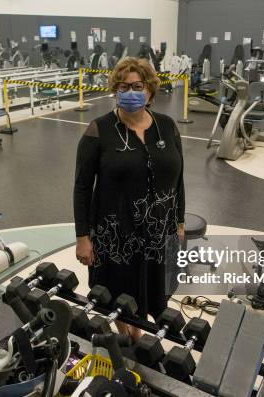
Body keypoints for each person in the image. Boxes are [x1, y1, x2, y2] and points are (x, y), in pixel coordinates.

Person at [73, 57, 185, 341]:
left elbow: (178, 178)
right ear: (116, 90)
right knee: (120, 295)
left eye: (137, 86)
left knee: (154, 289)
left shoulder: (168, 127)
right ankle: (130, 339)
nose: (131, 92)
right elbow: (82, 187)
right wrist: (83, 237)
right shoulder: (99, 130)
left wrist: (179, 221)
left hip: (159, 233)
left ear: (149, 89)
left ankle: (139, 336)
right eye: (123, 87)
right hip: (116, 237)